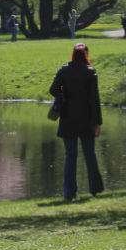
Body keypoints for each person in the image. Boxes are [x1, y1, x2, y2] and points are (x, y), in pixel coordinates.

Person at [49, 42, 104, 201]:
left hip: (68, 118)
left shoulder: (64, 71)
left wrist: (62, 98)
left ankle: (69, 192)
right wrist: (97, 122)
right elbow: (95, 99)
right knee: (90, 154)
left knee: (70, 155)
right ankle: (95, 188)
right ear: (86, 54)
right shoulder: (90, 72)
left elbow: (53, 89)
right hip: (86, 119)